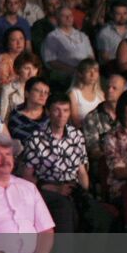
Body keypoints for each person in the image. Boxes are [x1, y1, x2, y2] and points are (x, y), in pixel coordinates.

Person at [17, 94, 91, 234]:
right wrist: (55, 189)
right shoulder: (36, 138)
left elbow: (81, 171)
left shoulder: (77, 136)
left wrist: (86, 194)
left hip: (72, 186)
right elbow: (27, 177)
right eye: (57, 110)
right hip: (47, 187)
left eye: (66, 110)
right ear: (48, 112)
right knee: (64, 210)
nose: (61, 115)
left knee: (98, 216)